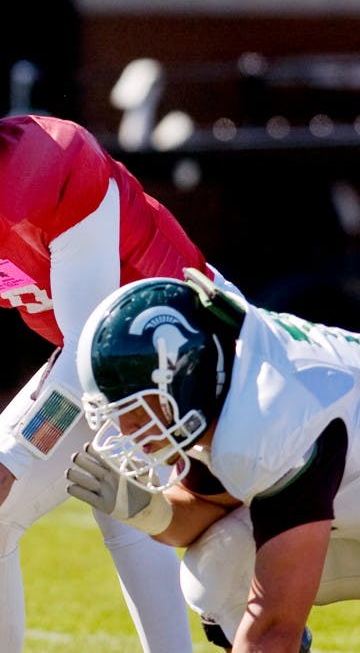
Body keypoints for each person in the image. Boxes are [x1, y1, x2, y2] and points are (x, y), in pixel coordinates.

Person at [0, 7, 245, 653]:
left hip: (197, 346)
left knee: (217, 549)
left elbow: (92, 352)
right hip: (104, 363)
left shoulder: (49, 162)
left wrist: (13, 457)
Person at [65, 267, 359, 652]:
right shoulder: (226, 385)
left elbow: (271, 630)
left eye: (136, 412)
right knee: (217, 571)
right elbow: (208, 506)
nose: (128, 431)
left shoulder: (270, 417)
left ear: (182, 377)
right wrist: (145, 511)